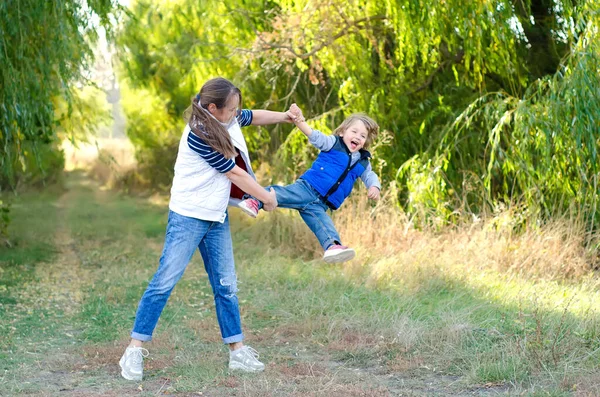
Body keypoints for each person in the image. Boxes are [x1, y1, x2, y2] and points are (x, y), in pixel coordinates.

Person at [119, 77, 292, 381]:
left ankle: (237, 352)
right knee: (164, 282)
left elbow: (254, 116)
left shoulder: (226, 115)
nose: (237, 113)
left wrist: (286, 117)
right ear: (213, 108)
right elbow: (235, 173)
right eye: (232, 109)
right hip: (188, 216)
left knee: (226, 285)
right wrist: (266, 198)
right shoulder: (199, 133)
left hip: (216, 216)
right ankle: (134, 350)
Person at [238, 103, 381, 263]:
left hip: (320, 205)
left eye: (362, 136)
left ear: (366, 141)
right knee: (281, 193)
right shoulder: (333, 143)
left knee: (325, 225)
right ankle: (254, 200)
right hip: (308, 189)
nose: (357, 137)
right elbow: (314, 136)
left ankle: (332, 247)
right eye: (354, 131)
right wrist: (299, 121)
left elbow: (370, 176)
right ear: (342, 132)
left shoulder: (363, 162)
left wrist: (374, 186)